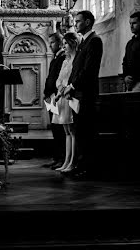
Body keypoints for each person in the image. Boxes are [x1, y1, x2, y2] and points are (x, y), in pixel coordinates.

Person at [66, 10, 103, 178]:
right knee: (80, 131)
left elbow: (88, 70)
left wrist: (73, 85)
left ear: (88, 22)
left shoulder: (94, 41)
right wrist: (70, 87)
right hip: (78, 93)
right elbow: (76, 69)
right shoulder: (84, 42)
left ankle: (88, 168)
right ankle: (80, 165)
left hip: (86, 94)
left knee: (87, 132)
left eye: (79, 21)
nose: (76, 24)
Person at [52, 34, 80, 173]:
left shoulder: (77, 60)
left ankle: (72, 162)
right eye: (62, 44)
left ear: (74, 43)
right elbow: (59, 79)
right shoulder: (65, 61)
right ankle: (66, 161)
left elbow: (73, 79)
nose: (63, 47)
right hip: (61, 96)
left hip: (69, 97)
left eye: (66, 44)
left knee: (72, 131)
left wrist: (65, 89)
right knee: (66, 131)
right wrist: (59, 88)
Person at [41, 32, 67, 169]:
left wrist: (51, 93)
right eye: (49, 42)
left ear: (60, 43)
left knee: (59, 129)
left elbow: (59, 78)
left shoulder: (63, 58)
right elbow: (49, 78)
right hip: (50, 97)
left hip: (57, 97)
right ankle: (57, 157)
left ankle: (62, 158)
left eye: (52, 42)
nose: (50, 45)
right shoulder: (55, 58)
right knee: (54, 128)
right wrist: (46, 93)